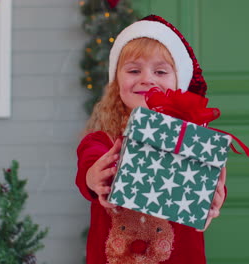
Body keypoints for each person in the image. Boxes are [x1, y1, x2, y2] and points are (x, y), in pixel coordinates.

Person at [76, 15, 227, 264]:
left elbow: (208, 187)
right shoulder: (102, 139)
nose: (147, 79)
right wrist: (92, 177)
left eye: (160, 71)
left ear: (180, 82)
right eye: (134, 70)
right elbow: (89, 165)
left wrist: (214, 196)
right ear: (117, 82)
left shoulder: (193, 140)